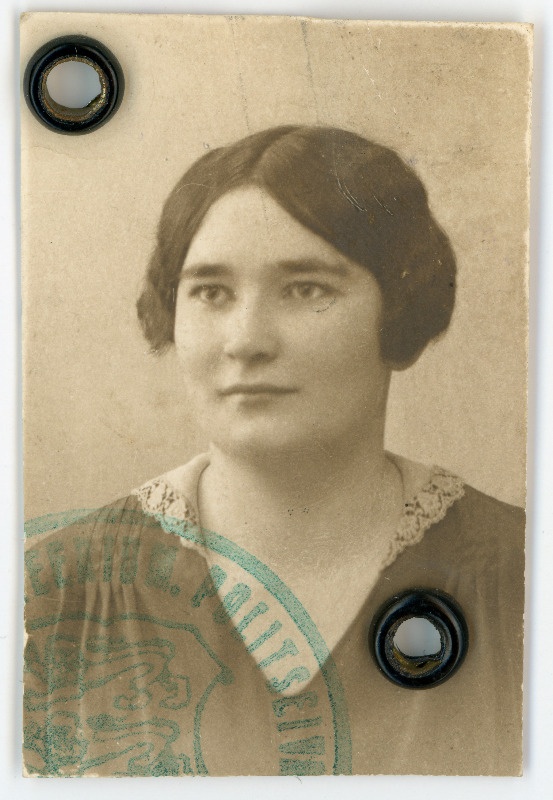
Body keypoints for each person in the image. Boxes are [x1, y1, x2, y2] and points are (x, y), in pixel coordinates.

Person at [23, 125, 524, 777]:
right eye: (211, 292)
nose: (246, 341)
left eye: (305, 289)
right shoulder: (51, 599)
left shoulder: (521, 578)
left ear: (398, 310)